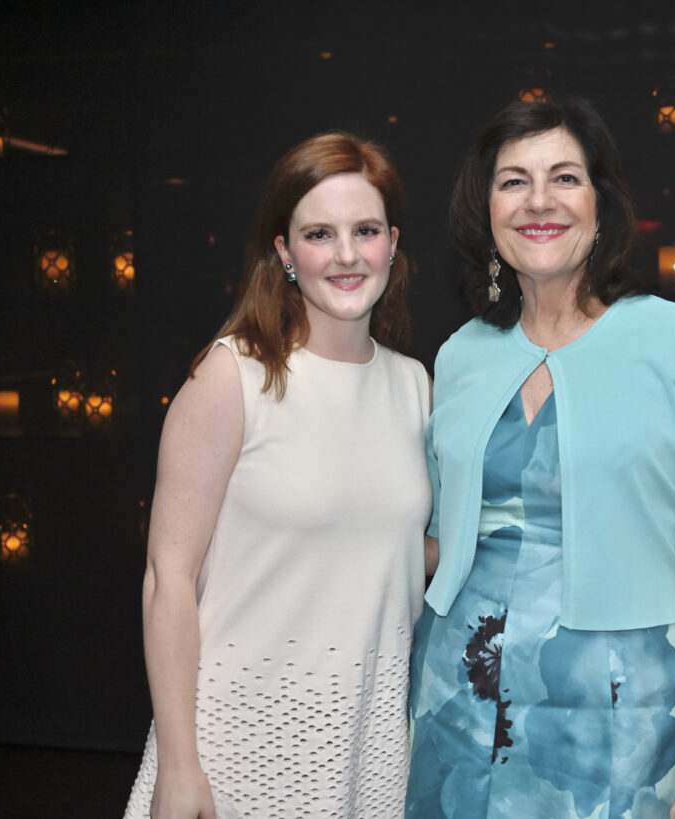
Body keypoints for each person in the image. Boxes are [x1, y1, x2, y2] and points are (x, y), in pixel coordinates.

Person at [406, 98, 675, 819]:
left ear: (602, 206)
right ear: (486, 208)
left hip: (623, 713)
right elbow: (435, 543)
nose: (539, 200)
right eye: (513, 181)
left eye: (564, 177)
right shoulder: (460, 354)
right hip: (458, 702)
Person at [124, 132, 432, 818]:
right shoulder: (232, 376)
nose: (347, 254)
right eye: (320, 233)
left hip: (370, 745)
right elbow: (166, 579)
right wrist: (179, 766)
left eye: (366, 230)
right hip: (237, 743)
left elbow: (394, 546)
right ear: (285, 253)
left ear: (393, 244)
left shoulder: (414, 386)